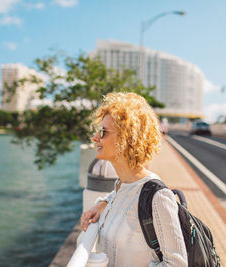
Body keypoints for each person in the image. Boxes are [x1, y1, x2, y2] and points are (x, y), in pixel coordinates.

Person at [80, 92, 187, 266]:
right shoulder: (121, 185)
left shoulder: (158, 197)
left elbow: (176, 264)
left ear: (127, 138)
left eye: (103, 132)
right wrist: (103, 204)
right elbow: (125, 199)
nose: (95, 138)